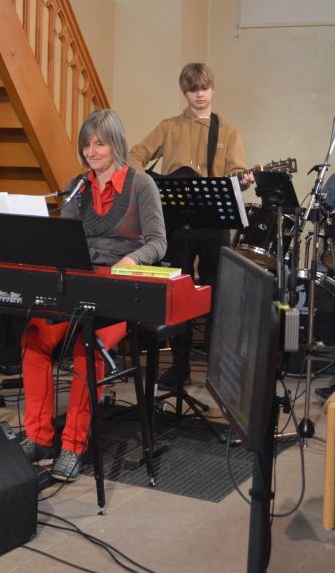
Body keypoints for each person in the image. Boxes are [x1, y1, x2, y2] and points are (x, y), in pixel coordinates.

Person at [20, 109, 167, 482]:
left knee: (88, 346)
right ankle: (39, 437)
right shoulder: (77, 187)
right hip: (77, 283)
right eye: (86, 145)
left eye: (99, 144)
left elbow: (158, 242)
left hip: (120, 289)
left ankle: (73, 445)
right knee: (34, 336)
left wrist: (131, 260)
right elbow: (63, 240)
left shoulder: (141, 185)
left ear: (115, 144)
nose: (91, 151)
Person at [129, 63, 254, 382]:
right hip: (176, 220)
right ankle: (179, 365)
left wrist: (242, 181)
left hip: (213, 222)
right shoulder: (168, 127)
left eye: (204, 88)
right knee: (177, 292)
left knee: (215, 292)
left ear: (213, 89)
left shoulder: (227, 131)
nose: (199, 95)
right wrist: (150, 187)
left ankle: (216, 367)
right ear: (184, 92)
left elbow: (236, 173)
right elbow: (135, 156)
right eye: (192, 89)